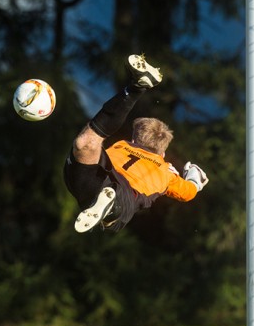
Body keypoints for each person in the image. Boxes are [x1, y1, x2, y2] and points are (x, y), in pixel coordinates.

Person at [63, 54, 209, 233]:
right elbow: (188, 192)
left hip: (92, 176)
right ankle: (111, 207)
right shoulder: (166, 171)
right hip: (125, 195)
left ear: (134, 140)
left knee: (85, 143)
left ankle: (135, 88)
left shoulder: (122, 145)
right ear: (161, 153)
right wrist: (195, 177)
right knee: (120, 205)